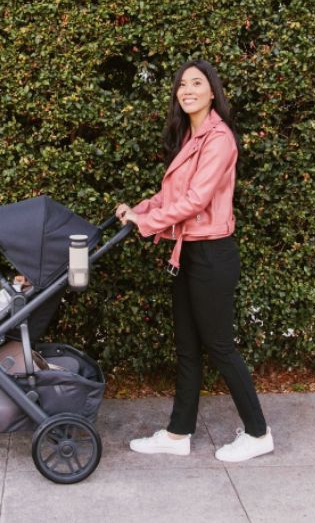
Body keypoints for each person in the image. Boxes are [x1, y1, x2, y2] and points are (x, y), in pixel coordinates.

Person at [116, 60, 274, 462]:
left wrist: (147, 221)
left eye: (196, 83)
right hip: (187, 250)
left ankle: (258, 433)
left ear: (211, 91)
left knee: (219, 345)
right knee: (187, 346)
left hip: (212, 253)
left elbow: (197, 200)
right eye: (182, 84)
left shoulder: (219, 139)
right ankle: (178, 433)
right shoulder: (192, 136)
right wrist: (139, 208)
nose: (187, 90)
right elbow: (173, 197)